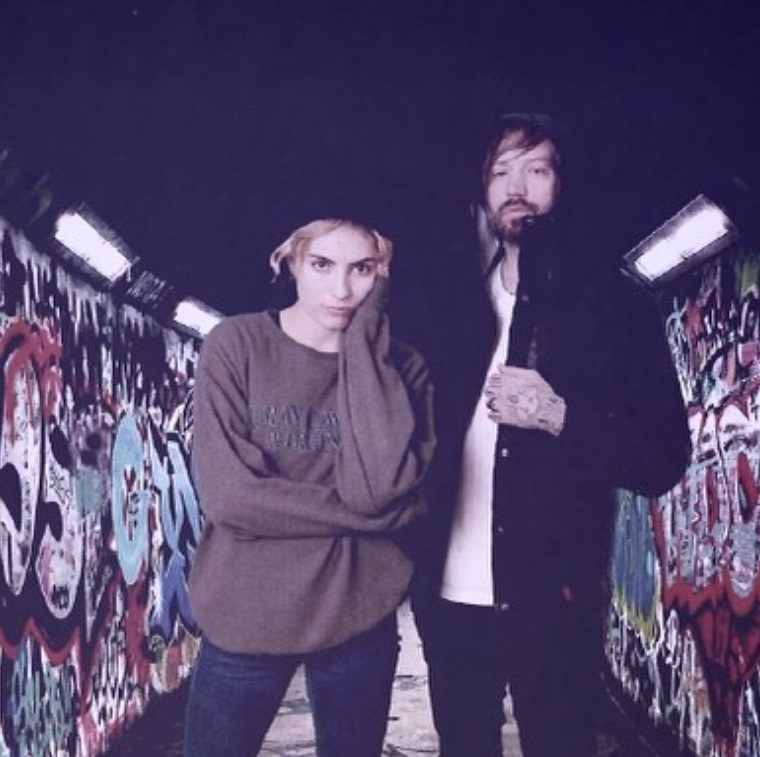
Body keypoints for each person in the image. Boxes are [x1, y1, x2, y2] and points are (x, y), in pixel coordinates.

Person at [410, 113, 691, 756]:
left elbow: (663, 458)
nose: (517, 187)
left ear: (563, 185)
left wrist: (559, 414)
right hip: (449, 600)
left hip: (555, 600)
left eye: (536, 169)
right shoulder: (454, 308)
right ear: (482, 191)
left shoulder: (616, 308)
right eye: (501, 172)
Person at [184, 217, 436, 757]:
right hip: (245, 613)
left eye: (362, 269)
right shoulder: (237, 345)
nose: (342, 289)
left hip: (358, 615)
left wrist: (365, 338)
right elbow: (231, 499)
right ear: (291, 262)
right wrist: (375, 516)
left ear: (383, 277)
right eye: (322, 265)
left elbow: (379, 486)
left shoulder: (405, 368)